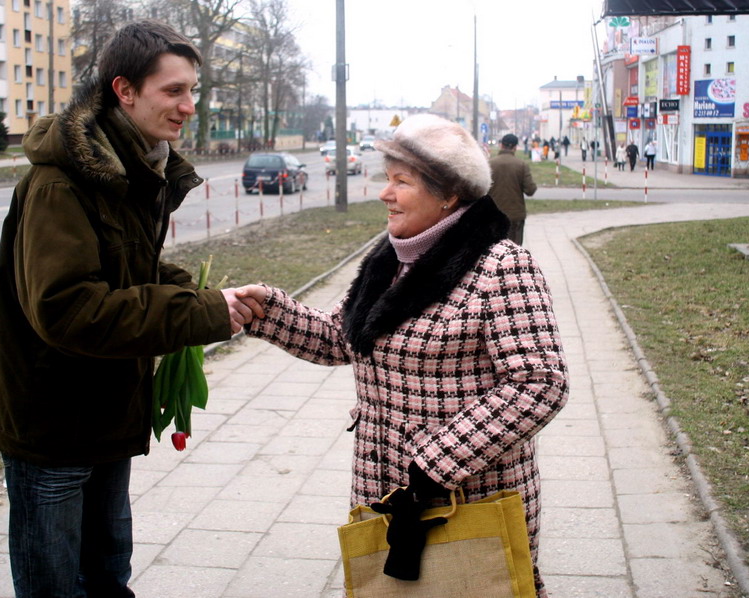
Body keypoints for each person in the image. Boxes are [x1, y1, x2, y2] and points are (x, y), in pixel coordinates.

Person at [0, 20, 263, 597]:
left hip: (108, 412)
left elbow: (125, 267)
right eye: (173, 91)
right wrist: (196, 312)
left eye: (194, 91)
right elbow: (67, 309)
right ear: (125, 90)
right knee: (57, 589)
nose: (189, 106)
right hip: (54, 424)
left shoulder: (139, 166)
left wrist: (202, 297)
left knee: (109, 579)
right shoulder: (63, 184)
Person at [237, 114, 568, 596]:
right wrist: (267, 312)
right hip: (384, 490)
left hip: (467, 495)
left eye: (401, 181)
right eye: (386, 178)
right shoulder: (390, 259)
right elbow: (341, 338)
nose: (383, 193)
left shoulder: (501, 266)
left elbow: (540, 383)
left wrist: (435, 462)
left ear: (448, 193)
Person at [490, 133, 538, 245]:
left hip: (494, 216)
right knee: (514, 252)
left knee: (494, 251)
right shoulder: (521, 165)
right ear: (515, 147)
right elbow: (530, 190)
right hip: (515, 216)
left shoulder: (490, 164)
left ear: (501, 145)